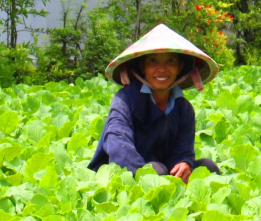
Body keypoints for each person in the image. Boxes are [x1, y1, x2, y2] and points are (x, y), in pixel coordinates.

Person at [88, 24, 221, 182]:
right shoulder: (125, 100)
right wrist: (145, 176)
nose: (162, 69)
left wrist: (184, 164)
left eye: (170, 61)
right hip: (123, 174)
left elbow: (182, 150)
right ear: (143, 67)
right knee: (155, 170)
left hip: (162, 171)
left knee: (208, 167)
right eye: (153, 61)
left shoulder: (184, 109)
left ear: (180, 67)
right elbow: (118, 146)